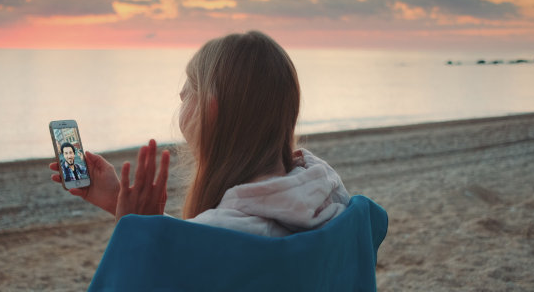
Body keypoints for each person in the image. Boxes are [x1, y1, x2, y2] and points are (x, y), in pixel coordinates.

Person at [50, 31, 350, 237]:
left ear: (211, 110)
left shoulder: (220, 234)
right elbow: (216, 237)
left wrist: (135, 235)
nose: (180, 95)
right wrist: (117, 198)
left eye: (191, 89)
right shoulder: (333, 201)